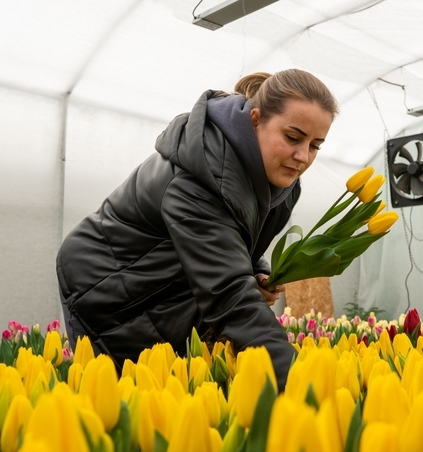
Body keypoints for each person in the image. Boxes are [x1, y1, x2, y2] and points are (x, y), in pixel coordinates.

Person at [56, 69, 337, 390]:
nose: (303, 156)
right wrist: (302, 386)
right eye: (293, 138)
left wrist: (255, 270)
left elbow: (234, 238)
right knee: (130, 398)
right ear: (256, 119)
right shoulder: (201, 176)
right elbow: (228, 292)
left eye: (315, 145)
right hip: (111, 285)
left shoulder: (277, 183)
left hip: (166, 284)